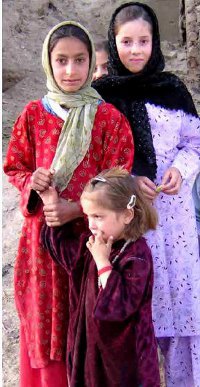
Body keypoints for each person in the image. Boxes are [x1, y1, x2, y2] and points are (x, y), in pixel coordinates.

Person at [3, 20, 134, 387]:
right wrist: (33, 181)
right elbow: (14, 164)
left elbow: (119, 177)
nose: (71, 70)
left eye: (80, 60)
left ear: (92, 62)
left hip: (91, 243)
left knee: (87, 321)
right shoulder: (32, 115)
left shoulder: (109, 119)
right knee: (47, 319)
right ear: (48, 62)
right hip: (41, 248)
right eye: (61, 61)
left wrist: (77, 208)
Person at [92, 2, 200, 387]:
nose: (136, 50)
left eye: (144, 40)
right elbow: (95, 158)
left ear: (155, 42)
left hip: (176, 218)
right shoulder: (101, 96)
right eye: (126, 41)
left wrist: (179, 169)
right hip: (131, 221)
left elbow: (195, 143)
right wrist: (127, 179)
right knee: (140, 307)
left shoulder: (173, 89)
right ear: (113, 42)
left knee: (183, 305)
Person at [41, 167, 160, 387]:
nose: (91, 224)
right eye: (88, 216)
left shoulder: (137, 255)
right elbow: (66, 256)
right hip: (91, 353)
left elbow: (122, 305)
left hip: (125, 363)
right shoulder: (93, 243)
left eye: (98, 216)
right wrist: (51, 203)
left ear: (127, 214)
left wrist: (103, 263)